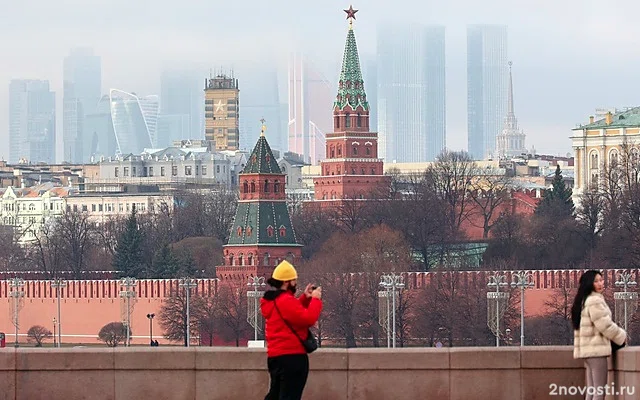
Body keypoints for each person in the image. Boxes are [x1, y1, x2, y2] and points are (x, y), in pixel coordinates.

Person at [260, 260, 322, 400]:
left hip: (275, 357)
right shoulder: (285, 300)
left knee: (275, 395)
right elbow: (308, 319)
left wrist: (305, 299)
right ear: (287, 282)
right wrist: (316, 300)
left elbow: (290, 315)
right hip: (292, 357)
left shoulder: (272, 302)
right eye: (294, 280)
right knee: (290, 396)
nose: (296, 283)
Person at [571, 270, 627, 400]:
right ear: (589, 284)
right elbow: (605, 325)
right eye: (596, 281)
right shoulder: (594, 300)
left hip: (587, 351)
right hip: (596, 351)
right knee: (599, 392)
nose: (600, 283)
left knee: (591, 391)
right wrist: (621, 335)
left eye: (601, 280)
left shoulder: (583, 300)